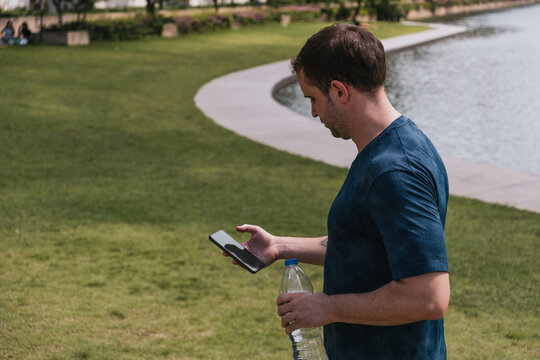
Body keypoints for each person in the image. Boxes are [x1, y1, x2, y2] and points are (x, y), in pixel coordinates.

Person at [228, 24, 450, 359]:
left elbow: (428, 297)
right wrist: (279, 246)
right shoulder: (388, 150)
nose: (314, 112)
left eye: (313, 99)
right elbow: (367, 245)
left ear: (339, 91)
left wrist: (327, 308)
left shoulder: (395, 171)